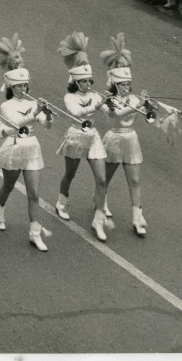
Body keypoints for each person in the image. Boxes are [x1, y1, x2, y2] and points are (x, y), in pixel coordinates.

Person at [0, 34, 52, 251]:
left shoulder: (32, 103)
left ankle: (35, 232)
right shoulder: (6, 106)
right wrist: (36, 112)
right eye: (19, 86)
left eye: (26, 85)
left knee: (34, 194)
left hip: (32, 148)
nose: (24, 89)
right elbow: (16, 123)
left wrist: (47, 115)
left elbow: (46, 125)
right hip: (15, 147)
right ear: (11, 87)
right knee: (8, 185)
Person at [54, 32, 112, 242]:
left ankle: (98, 219)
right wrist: (97, 104)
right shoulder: (69, 97)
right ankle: (61, 201)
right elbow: (77, 113)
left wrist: (113, 104)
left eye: (90, 80)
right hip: (76, 136)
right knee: (70, 174)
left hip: (93, 137)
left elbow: (108, 111)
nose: (89, 84)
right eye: (85, 81)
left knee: (102, 177)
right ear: (76, 82)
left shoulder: (96, 95)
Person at [98, 34, 148, 237]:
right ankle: (101, 203)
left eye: (129, 84)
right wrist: (137, 104)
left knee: (134, 180)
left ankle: (137, 217)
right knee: (105, 179)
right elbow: (117, 115)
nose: (127, 88)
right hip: (114, 139)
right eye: (123, 85)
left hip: (131, 139)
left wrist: (146, 105)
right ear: (115, 85)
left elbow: (143, 112)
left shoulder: (135, 99)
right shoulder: (108, 101)